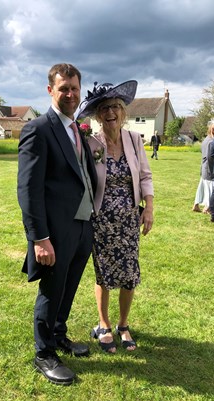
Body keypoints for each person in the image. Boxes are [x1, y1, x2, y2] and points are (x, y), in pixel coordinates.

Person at [17, 63, 97, 385]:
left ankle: (59, 334)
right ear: (50, 90)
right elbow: (28, 189)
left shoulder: (77, 129)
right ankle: (43, 352)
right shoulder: (38, 129)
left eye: (75, 88)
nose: (70, 94)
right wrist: (39, 239)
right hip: (54, 231)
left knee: (69, 285)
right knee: (51, 290)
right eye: (64, 88)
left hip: (82, 226)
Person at [77, 81, 154, 353]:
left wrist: (150, 209)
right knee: (104, 273)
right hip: (101, 220)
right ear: (98, 115)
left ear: (123, 112)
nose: (111, 112)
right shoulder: (91, 142)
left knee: (129, 273)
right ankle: (103, 324)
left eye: (116, 107)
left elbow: (145, 175)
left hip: (130, 218)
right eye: (105, 108)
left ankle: (123, 325)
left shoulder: (134, 140)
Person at [192, 120, 214, 214]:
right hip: (209, 169)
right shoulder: (211, 141)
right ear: (212, 130)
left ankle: (196, 205)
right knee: (211, 188)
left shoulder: (207, 139)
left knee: (202, 187)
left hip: (205, 168)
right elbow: (209, 157)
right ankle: (207, 207)